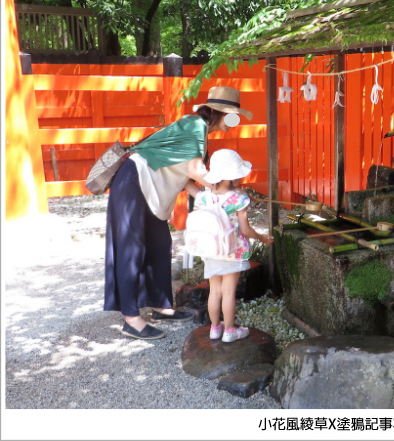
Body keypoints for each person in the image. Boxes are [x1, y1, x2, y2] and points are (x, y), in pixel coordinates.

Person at [104, 86, 253, 340]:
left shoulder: (200, 132)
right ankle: (131, 318)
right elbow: (196, 171)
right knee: (132, 250)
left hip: (151, 189)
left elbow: (186, 179)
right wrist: (226, 188)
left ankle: (161, 305)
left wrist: (213, 196)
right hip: (135, 182)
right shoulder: (195, 126)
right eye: (232, 115)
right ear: (220, 113)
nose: (234, 122)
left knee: (160, 244)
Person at [185, 149, 273, 342]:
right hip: (232, 251)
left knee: (214, 291)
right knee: (228, 292)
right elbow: (246, 230)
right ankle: (230, 331)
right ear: (231, 177)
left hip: (211, 250)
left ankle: (215, 329)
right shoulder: (239, 199)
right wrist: (262, 237)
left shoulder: (204, 197)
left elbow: (187, 182)